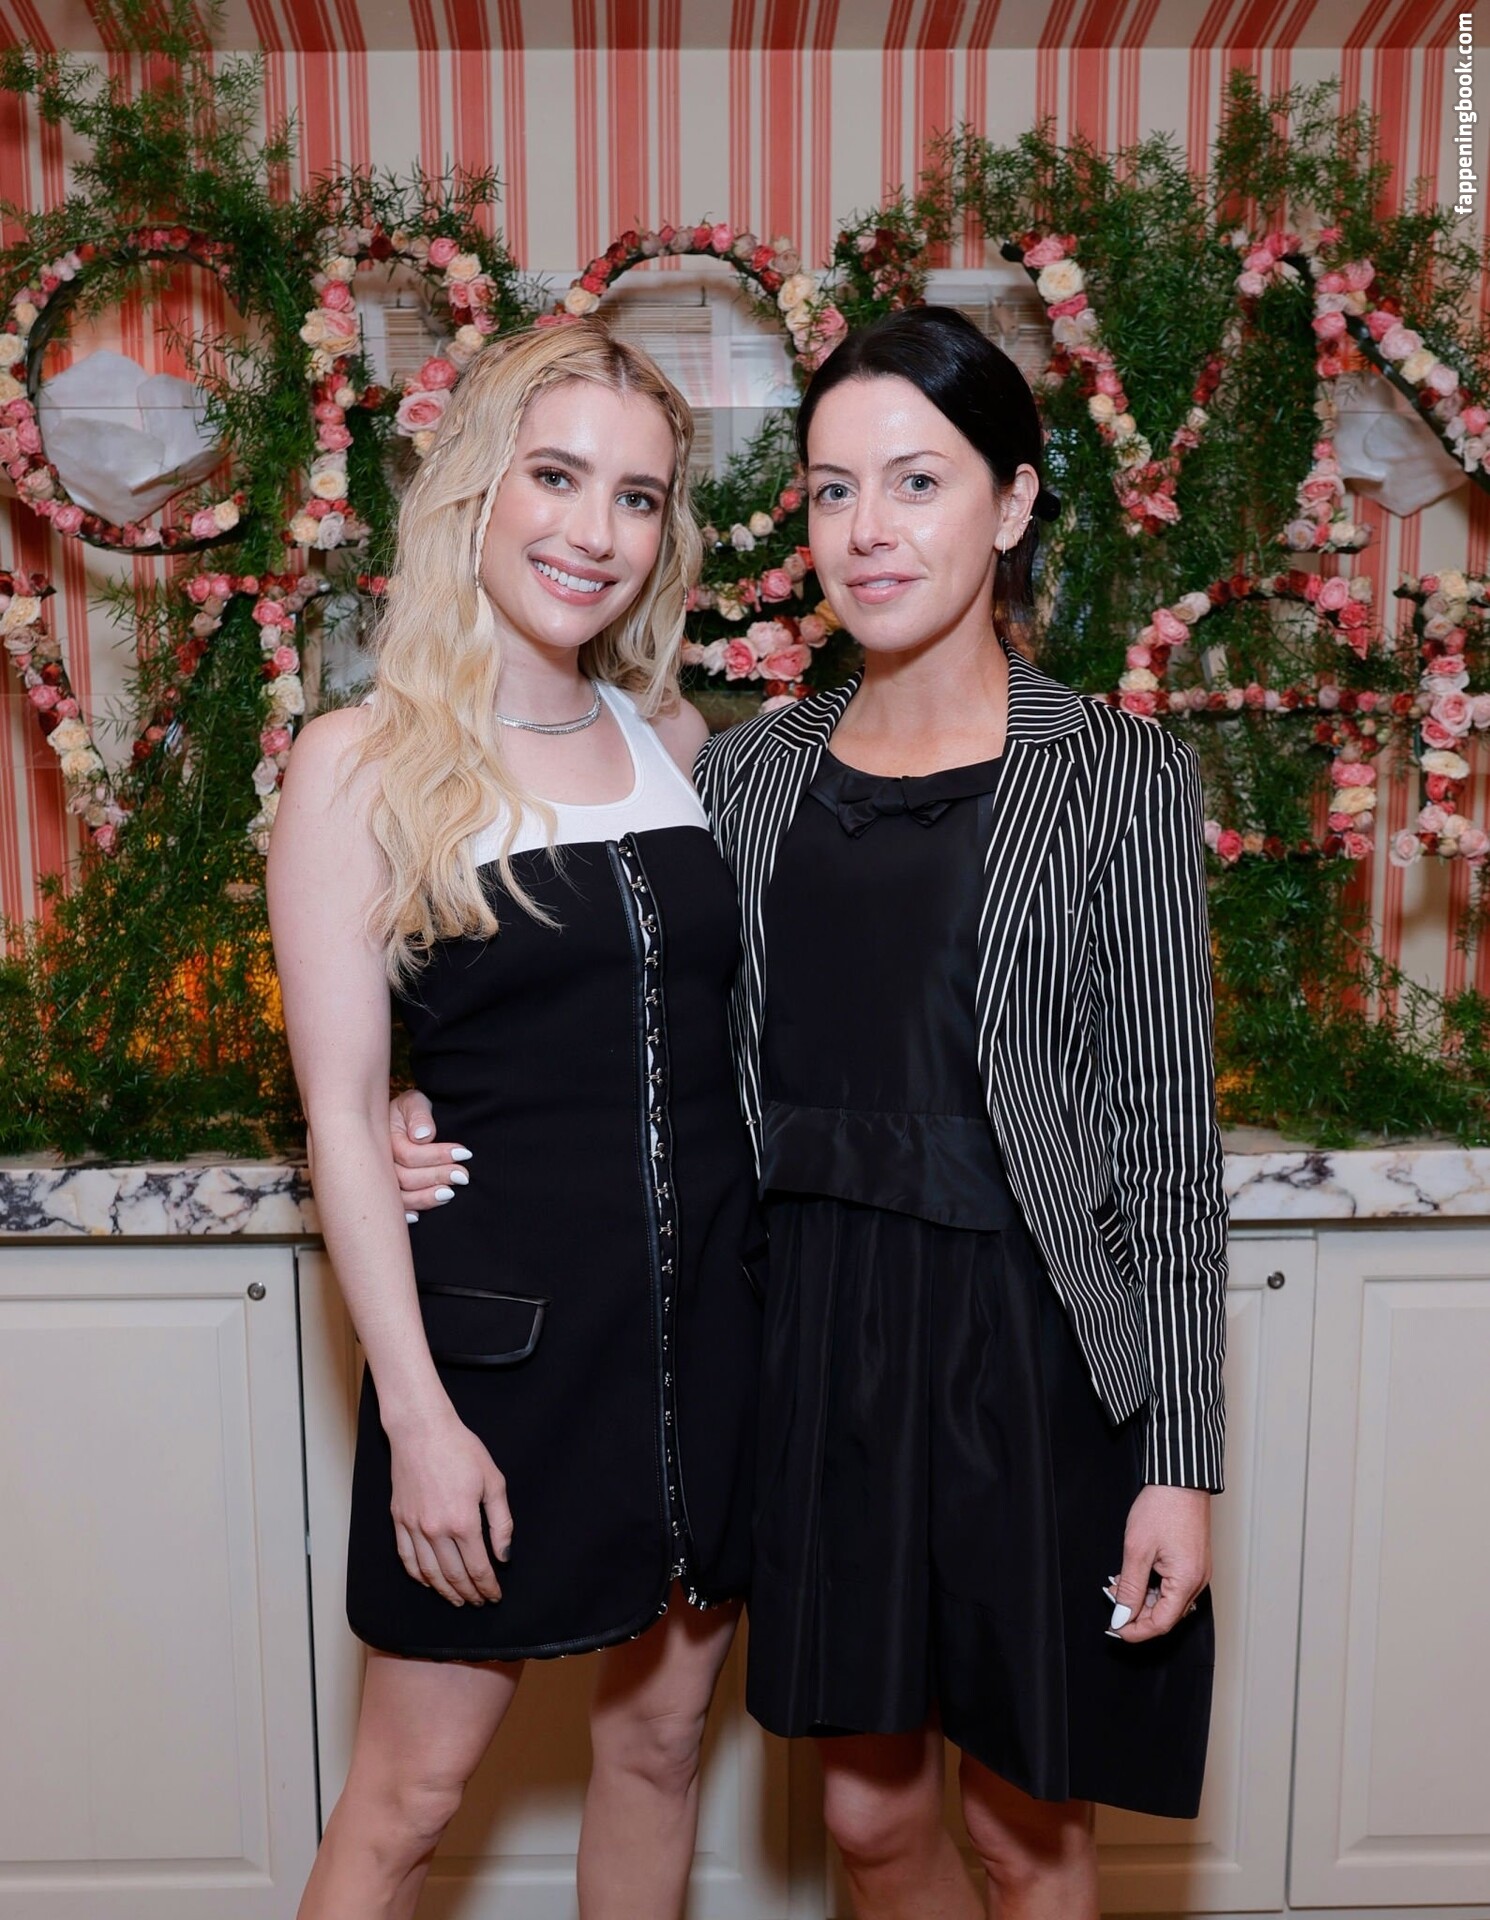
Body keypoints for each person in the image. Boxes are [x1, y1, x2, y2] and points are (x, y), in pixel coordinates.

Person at [391, 306, 1228, 1920]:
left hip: (1038, 1360)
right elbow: (619, 1015)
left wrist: (1178, 1459)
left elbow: (1167, 1158)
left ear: (1012, 501)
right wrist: (398, 1094)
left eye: (917, 481)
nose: (869, 530)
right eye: (834, 491)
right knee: (864, 1825)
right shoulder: (744, 775)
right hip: (813, 1349)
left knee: (1027, 1837)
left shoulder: (1116, 776)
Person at [267, 320, 762, 1920]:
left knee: (660, 1751)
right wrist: (416, 1419)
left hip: (702, 1342)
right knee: (407, 1803)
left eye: (636, 497)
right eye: (555, 476)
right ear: (476, 490)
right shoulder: (356, 765)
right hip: (494, 1363)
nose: (591, 531)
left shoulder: (671, 740)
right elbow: (343, 1118)